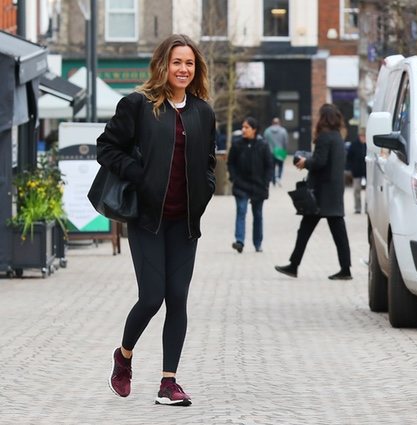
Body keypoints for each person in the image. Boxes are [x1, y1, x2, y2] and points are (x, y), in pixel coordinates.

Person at [97, 34, 216, 407]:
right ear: (162, 65)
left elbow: (209, 161)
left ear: (196, 70)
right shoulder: (137, 105)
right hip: (148, 218)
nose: (183, 69)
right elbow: (107, 148)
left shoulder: (203, 112)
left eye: (190, 64)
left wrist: (206, 190)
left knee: (177, 298)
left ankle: (169, 382)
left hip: (185, 223)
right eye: (177, 62)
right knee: (152, 297)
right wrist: (140, 173)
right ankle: (124, 356)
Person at [274, 104, 352, 280]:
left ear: (323, 118)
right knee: (338, 233)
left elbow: (320, 162)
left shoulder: (325, 137)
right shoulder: (338, 137)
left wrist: (305, 162)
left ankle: (294, 266)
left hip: (320, 193)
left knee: (306, 231)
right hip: (333, 192)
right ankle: (345, 269)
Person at [228, 116, 274, 253]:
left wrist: (265, 182)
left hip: (258, 186)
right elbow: (231, 163)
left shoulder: (263, 145)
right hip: (241, 185)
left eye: (246, 127)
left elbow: (269, 166)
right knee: (241, 212)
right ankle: (239, 241)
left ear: (254, 130)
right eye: (243, 127)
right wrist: (234, 178)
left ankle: (257, 243)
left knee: (257, 215)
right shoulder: (237, 144)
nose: (243, 130)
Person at [263, 117, 289, 185]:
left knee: (272, 166)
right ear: (279, 123)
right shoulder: (283, 131)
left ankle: (273, 180)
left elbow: (264, 141)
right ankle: (279, 177)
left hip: (270, 151)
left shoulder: (267, 131)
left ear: (272, 123)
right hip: (280, 151)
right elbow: (285, 142)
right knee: (280, 166)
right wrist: (285, 150)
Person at [346, 129, 367, 214]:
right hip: (356, 171)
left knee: (368, 192)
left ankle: (367, 208)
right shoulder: (354, 145)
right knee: (356, 190)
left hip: (367, 171)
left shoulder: (368, 145)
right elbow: (349, 157)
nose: (363, 138)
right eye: (362, 136)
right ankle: (358, 208)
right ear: (359, 136)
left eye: (365, 136)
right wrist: (351, 168)